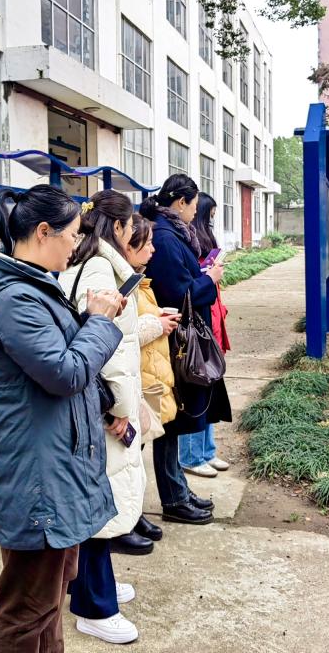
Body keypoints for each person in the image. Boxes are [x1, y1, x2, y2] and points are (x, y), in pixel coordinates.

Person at [0, 185, 125, 652]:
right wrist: (99, 323)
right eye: (71, 235)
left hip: (52, 468)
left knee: (48, 602)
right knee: (27, 610)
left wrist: (91, 322)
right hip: (36, 477)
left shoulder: (34, 289)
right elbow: (64, 373)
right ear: (43, 231)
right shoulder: (15, 299)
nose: (76, 245)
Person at [59, 190, 148, 645]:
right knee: (100, 501)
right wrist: (119, 408)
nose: (134, 231)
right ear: (117, 227)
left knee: (97, 496)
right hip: (104, 406)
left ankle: (91, 584)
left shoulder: (90, 263)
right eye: (131, 223)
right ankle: (95, 606)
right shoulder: (99, 269)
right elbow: (106, 345)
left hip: (95, 400)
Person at [140, 174, 232, 525]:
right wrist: (209, 279)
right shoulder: (165, 237)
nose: (196, 212)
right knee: (170, 422)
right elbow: (177, 293)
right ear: (180, 202)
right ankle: (174, 498)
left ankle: (178, 490)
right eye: (194, 205)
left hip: (174, 338)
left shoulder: (172, 231)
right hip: (173, 340)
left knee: (173, 423)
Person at [124, 213, 178, 538]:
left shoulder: (139, 280)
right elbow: (123, 332)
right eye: (147, 243)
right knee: (131, 453)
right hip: (138, 379)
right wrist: (157, 324)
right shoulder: (121, 282)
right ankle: (129, 518)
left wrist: (157, 316)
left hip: (148, 375)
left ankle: (136, 513)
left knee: (138, 453)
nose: (153, 250)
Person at [180, 192, 232, 478]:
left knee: (210, 382)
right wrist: (207, 275)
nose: (212, 219)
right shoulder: (185, 239)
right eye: (209, 213)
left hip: (211, 315)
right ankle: (190, 455)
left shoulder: (200, 236)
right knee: (198, 382)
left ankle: (206, 450)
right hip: (198, 320)